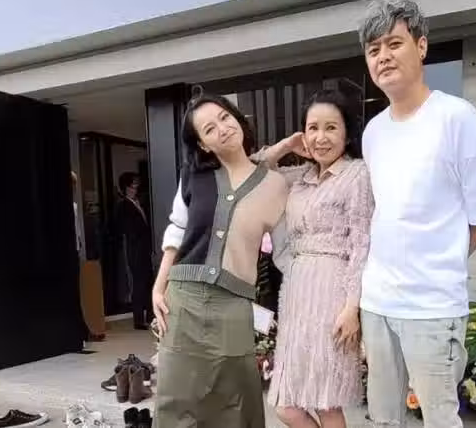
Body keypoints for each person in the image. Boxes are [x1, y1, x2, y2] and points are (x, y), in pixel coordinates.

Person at [356, 0, 476, 428]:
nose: (383, 57)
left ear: (421, 46)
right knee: (383, 417)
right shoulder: (373, 132)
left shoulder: (457, 118)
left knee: (439, 418)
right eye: (373, 50)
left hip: (432, 307)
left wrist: (437, 262)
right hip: (377, 302)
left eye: (394, 44)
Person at [151, 94, 289, 428]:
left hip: (234, 303)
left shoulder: (275, 185)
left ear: (238, 118)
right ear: (203, 144)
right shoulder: (193, 175)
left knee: (235, 402)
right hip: (183, 298)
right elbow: (177, 229)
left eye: (225, 118)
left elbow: (285, 252)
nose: (223, 129)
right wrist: (158, 286)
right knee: (176, 401)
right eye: (209, 129)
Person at [255, 90, 373, 428]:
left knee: (326, 401)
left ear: (347, 133)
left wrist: (352, 308)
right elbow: (249, 173)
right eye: (313, 128)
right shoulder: (299, 178)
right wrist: (286, 146)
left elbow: (362, 243)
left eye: (331, 128)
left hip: (333, 292)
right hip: (296, 292)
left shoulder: (357, 174)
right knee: (285, 405)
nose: (321, 137)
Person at [115, 172, 154, 330]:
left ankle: (151, 315)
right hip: (135, 249)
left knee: (148, 282)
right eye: (132, 185)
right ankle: (139, 319)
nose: (135, 188)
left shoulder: (138, 203)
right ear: (126, 187)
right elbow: (127, 228)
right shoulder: (123, 205)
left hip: (143, 248)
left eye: (136, 185)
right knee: (139, 284)